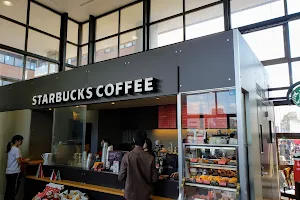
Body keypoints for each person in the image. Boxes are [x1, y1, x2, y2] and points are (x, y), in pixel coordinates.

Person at [118, 131, 158, 200]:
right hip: (145, 196)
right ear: (145, 141)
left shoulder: (127, 156)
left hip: (130, 195)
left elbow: (120, 177)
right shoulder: (150, 158)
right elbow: (155, 178)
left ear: (133, 140)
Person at [4, 135, 29, 200]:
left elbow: (14, 159)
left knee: (8, 190)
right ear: (16, 141)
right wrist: (25, 160)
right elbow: (19, 161)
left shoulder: (11, 148)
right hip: (15, 172)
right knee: (14, 190)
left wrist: (22, 159)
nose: (22, 142)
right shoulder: (17, 149)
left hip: (8, 172)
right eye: (21, 140)